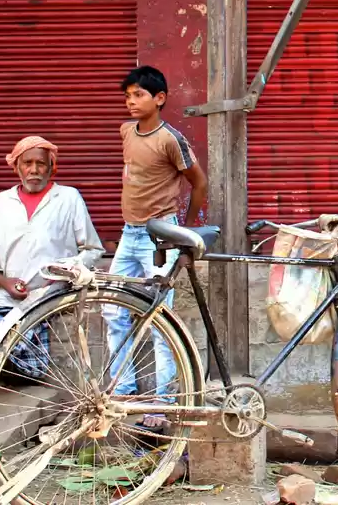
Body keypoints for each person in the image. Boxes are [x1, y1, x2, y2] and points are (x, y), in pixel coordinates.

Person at [0, 136, 104, 419]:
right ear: (16, 168)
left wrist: (64, 271)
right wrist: (4, 281)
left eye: (41, 164)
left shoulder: (68, 198)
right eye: (27, 163)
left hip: (51, 291)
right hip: (5, 291)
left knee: (20, 323)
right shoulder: (0, 202)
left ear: (51, 168)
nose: (34, 170)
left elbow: (92, 250)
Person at [104, 65, 207, 428]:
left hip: (159, 238)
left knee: (160, 319)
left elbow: (199, 182)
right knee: (112, 311)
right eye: (128, 95)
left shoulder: (171, 140)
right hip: (129, 235)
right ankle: (123, 391)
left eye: (139, 95)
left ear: (160, 99)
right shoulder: (125, 131)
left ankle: (160, 404)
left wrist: (186, 232)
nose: (131, 102)